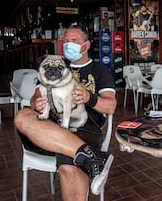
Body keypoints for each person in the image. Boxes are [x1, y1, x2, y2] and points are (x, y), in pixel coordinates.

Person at [14, 25, 116, 200]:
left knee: (69, 168)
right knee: (22, 116)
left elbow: (110, 107)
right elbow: (35, 96)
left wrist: (89, 98)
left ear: (87, 45)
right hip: (51, 126)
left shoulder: (100, 71)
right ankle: (93, 158)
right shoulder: (53, 66)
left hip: (84, 127)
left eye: (74, 41)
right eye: (66, 42)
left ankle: (84, 156)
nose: (69, 45)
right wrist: (35, 102)